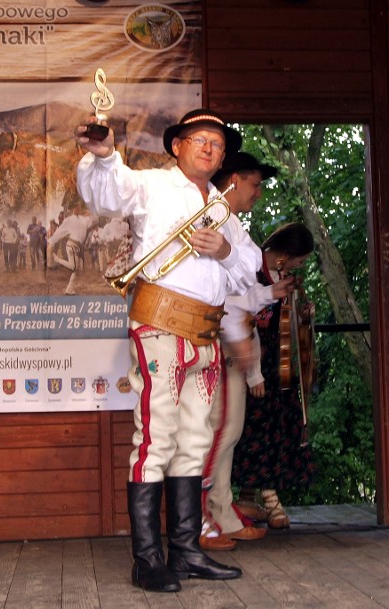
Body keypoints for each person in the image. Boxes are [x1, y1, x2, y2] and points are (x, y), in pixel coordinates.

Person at [76, 108, 260, 593]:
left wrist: (223, 251)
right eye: (199, 139)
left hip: (204, 334)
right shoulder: (154, 185)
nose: (209, 148)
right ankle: (147, 560)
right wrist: (103, 156)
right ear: (177, 145)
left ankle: (186, 551)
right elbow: (108, 191)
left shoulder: (220, 208)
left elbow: (250, 265)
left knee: (196, 440)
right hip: (160, 325)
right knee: (156, 437)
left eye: (217, 144)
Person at [197, 152, 290, 550]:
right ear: (234, 180)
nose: (259, 192)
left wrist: (271, 292)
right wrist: (236, 337)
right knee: (218, 431)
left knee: (228, 432)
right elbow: (221, 293)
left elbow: (240, 288)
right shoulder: (214, 217)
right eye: (255, 184)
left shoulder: (231, 222)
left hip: (228, 340)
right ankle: (202, 517)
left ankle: (220, 510)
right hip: (217, 340)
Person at [229, 222, 316, 533]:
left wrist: (303, 315)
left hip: (280, 361)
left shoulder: (284, 278)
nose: (299, 266)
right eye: (300, 259)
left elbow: (288, 319)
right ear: (286, 254)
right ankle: (271, 499)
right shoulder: (250, 266)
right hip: (250, 352)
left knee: (276, 423)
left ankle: (250, 497)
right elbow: (240, 313)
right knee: (255, 426)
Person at [47, 204, 97, 295]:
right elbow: (59, 232)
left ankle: (69, 289)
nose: (77, 209)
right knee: (74, 267)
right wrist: (52, 241)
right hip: (72, 245)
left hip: (80, 247)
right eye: (75, 207)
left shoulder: (84, 219)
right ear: (73, 209)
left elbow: (95, 219)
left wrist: (89, 213)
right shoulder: (69, 220)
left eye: (79, 207)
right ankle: (57, 259)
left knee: (80, 269)